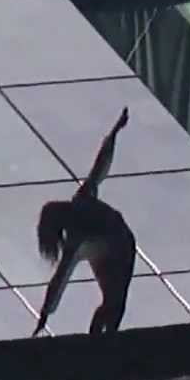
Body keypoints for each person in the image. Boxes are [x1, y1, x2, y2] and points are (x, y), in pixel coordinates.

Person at [33, 107, 135, 336]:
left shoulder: (81, 204)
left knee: (114, 302)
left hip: (119, 243)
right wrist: (45, 312)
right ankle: (102, 336)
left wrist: (113, 135)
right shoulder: (77, 228)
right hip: (112, 244)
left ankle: (103, 335)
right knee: (114, 301)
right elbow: (60, 278)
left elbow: (99, 168)